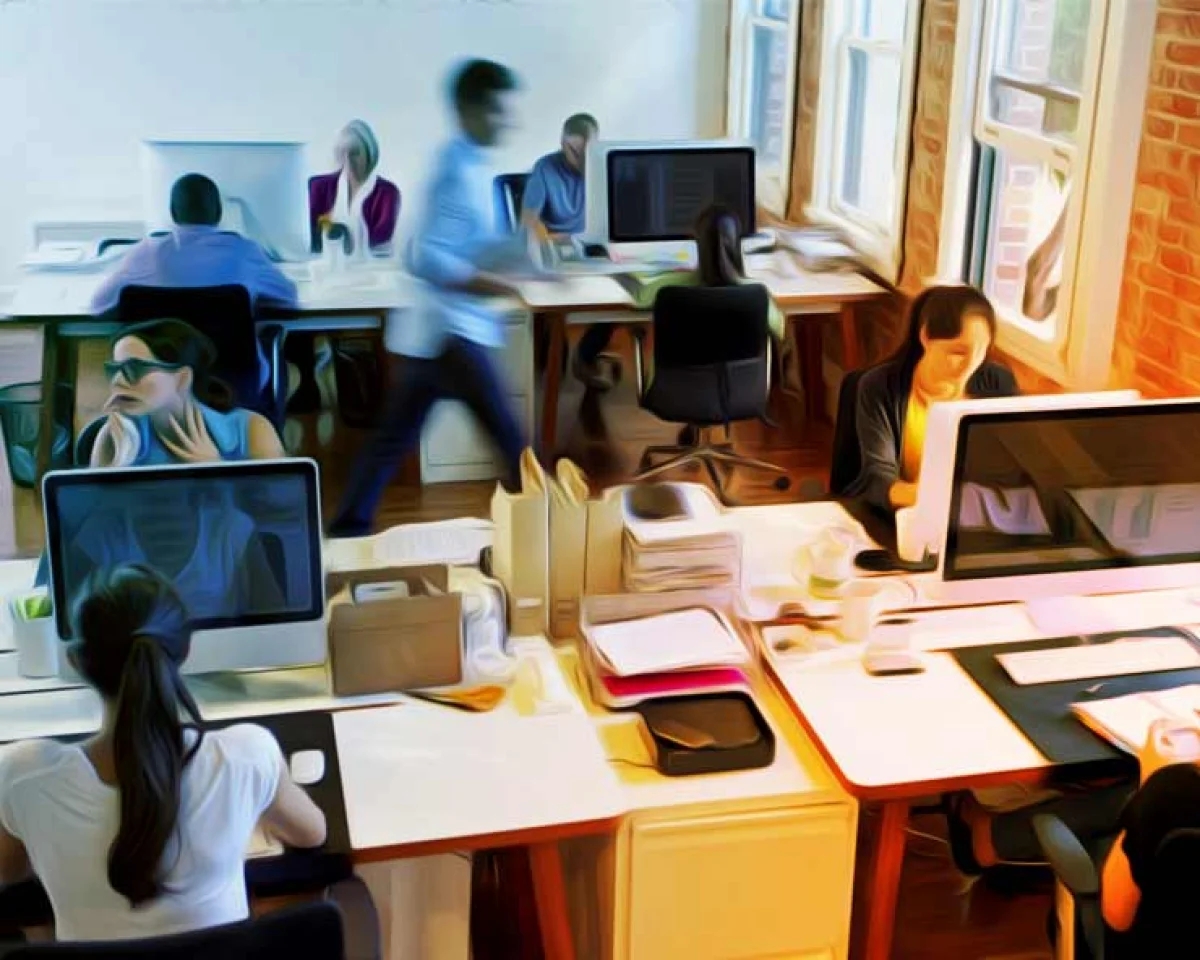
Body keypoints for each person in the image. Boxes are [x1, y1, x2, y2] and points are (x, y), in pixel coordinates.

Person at [0, 564, 326, 942]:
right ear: (184, 651)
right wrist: (247, 812)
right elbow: (311, 833)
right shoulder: (247, 757)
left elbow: (8, 870)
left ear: (76, 662)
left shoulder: (23, 777)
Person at [329, 59, 531, 539]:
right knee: (512, 443)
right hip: (450, 330)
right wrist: (491, 284)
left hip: (441, 333)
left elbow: (472, 242)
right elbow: (424, 256)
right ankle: (542, 530)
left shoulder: (474, 166)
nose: (508, 121)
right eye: (498, 111)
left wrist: (524, 261)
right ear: (468, 109)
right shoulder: (453, 171)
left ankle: (348, 528)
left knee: (393, 437)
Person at [848, 285, 1018, 513]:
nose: (970, 365)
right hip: (902, 515)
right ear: (926, 337)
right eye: (958, 352)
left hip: (975, 515)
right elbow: (878, 480)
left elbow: (1013, 468)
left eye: (981, 351)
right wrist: (939, 498)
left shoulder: (998, 383)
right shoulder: (880, 387)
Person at [89, 174, 298, 316]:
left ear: (172, 212)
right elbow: (288, 297)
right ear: (219, 212)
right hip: (234, 367)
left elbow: (98, 304)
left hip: (163, 368)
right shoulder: (244, 252)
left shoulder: (146, 253)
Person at [90, 319, 284, 468]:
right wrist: (115, 472)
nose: (117, 381)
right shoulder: (116, 436)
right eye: (114, 370)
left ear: (182, 378)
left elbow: (280, 504)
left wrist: (215, 470)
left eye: (135, 368)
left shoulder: (251, 429)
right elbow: (92, 507)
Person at [309, 119, 401, 257]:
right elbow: (309, 231)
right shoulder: (318, 186)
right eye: (343, 153)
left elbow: (381, 236)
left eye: (355, 153)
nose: (348, 160)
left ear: (369, 154)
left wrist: (339, 235)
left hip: (369, 264)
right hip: (323, 261)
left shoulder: (388, 193)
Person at [521, 113, 597, 237]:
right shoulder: (544, 168)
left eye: (588, 151)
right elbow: (528, 223)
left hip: (590, 239)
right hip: (554, 240)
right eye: (576, 153)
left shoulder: (603, 165)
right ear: (563, 143)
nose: (582, 160)